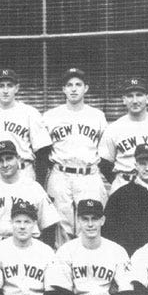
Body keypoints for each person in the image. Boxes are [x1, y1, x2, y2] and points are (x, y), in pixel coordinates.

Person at [43, 68, 109, 245]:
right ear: (63, 89)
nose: (73, 89)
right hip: (60, 173)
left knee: (89, 222)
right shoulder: (50, 116)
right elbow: (43, 150)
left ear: (86, 88)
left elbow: (105, 150)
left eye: (78, 84)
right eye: (69, 85)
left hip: (89, 174)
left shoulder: (97, 116)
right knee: (60, 224)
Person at [0, 140, 60, 246]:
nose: (5, 164)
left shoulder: (33, 188)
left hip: (26, 247)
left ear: (18, 158)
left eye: (9, 159)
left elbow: (49, 224)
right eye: (0, 161)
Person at [0, 68, 51, 183]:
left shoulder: (30, 112)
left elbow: (42, 150)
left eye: (10, 85)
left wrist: (40, 182)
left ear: (16, 88)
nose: (5, 90)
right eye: (1, 86)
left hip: (22, 171)